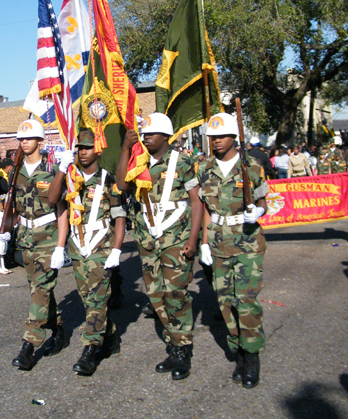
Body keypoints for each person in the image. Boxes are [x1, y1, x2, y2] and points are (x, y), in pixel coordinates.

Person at [116, 113, 204, 381]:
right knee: (156, 295)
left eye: (151, 134)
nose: (146, 138)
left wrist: (194, 239)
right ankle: (174, 341)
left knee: (175, 293)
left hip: (176, 238)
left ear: (166, 136)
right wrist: (124, 149)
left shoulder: (184, 162)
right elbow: (121, 184)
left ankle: (182, 349)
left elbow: (197, 202)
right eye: (144, 135)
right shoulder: (138, 161)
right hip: (148, 238)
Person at [197, 113, 269, 389]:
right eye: (212, 137)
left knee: (246, 300)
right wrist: (204, 242)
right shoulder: (206, 169)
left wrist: (259, 211)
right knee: (225, 301)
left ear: (234, 138)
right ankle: (237, 349)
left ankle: (252, 356)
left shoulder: (251, 167)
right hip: (218, 241)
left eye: (221, 136)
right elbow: (205, 209)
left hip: (247, 241)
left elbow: (265, 201)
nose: (216, 142)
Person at [48, 129, 126, 376]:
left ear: (98, 149)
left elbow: (120, 216)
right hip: (78, 248)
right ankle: (110, 337)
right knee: (91, 300)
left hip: (101, 246)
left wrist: (116, 250)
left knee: (96, 299)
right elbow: (52, 199)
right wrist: (61, 169)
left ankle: (90, 349)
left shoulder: (109, 180)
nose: (82, 152)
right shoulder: (70, 179)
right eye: (79, 148)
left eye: (87, 147)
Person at [10, 119, 69, 371]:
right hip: (25, 237)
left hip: (47, 238)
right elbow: (14, 206)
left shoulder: (53, 170)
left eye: (29, 138)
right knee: (38, 288)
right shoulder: (16, 172)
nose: (24, 142)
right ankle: (58, 327)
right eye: (21, 139)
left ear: (40, 141)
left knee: (40, 288)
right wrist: (3, 230)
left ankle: (28, 345)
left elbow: (62, 210)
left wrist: (60, 246)